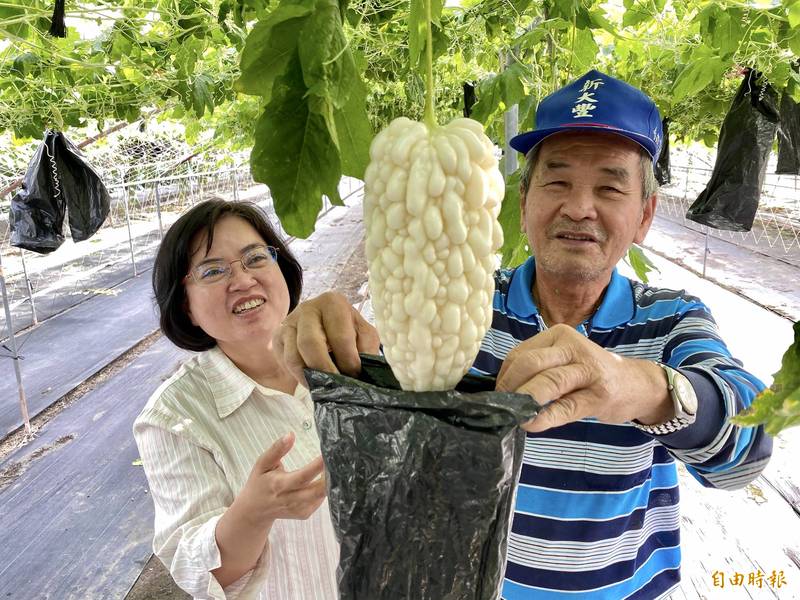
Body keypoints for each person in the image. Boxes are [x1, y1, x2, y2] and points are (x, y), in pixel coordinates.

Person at [273, 70, 773, 599]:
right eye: (557, 181)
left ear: (645, 215)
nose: (579, 207)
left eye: (609, 186)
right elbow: (389, 400)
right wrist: (334, 341)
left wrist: (643, 388)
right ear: (523, 202)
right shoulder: (459, 303)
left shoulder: (671, 319)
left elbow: (749, 453)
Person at [133, 199, 359, 599]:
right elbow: (199, 572)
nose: (242, 280)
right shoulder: (172, 417)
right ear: (186, 306)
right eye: (213, 270)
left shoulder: (348, 358)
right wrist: (253, 513)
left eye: (255, 258)